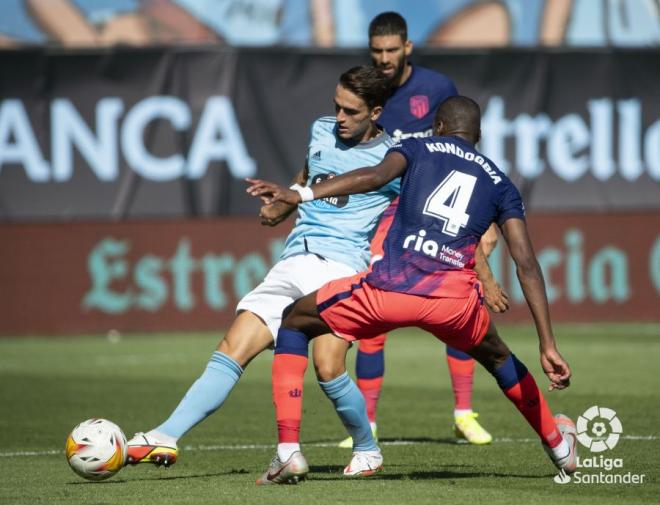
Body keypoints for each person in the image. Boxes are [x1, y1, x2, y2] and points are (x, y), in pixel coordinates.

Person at [247, 95, 578, 482]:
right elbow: (527, 264)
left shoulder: (417, 146)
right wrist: (548, 344)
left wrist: (300, 193)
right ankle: (559, 447)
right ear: (479, 135)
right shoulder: (500, 182)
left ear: (438, 127)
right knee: (500, 358)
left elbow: (373, 177)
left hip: (390, 290)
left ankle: (288, 451)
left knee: (294, 320)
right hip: (453, 304)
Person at [124, 65, 400, 471]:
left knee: (328, 367)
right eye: (336, 106)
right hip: (294, 260)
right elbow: (308, 174)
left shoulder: (391, 158)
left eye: (351, 111)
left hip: (340, 268)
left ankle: (366, 449)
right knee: (231, 348)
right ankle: (165, 436)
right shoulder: (322, 129)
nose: (339, 117)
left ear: (375, 112)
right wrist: (282, 205)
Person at [353, 10, 497, 447]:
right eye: (377, 51)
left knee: (457, 306)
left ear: (407, 47)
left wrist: (484, 219)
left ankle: (464, 414)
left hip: (433, 213)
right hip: (382, 212)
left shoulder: (436, 89)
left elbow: (466, 150)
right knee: (373, 313)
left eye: (391, 50)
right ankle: (367, 424)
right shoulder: (364, 91)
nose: (384, 59)